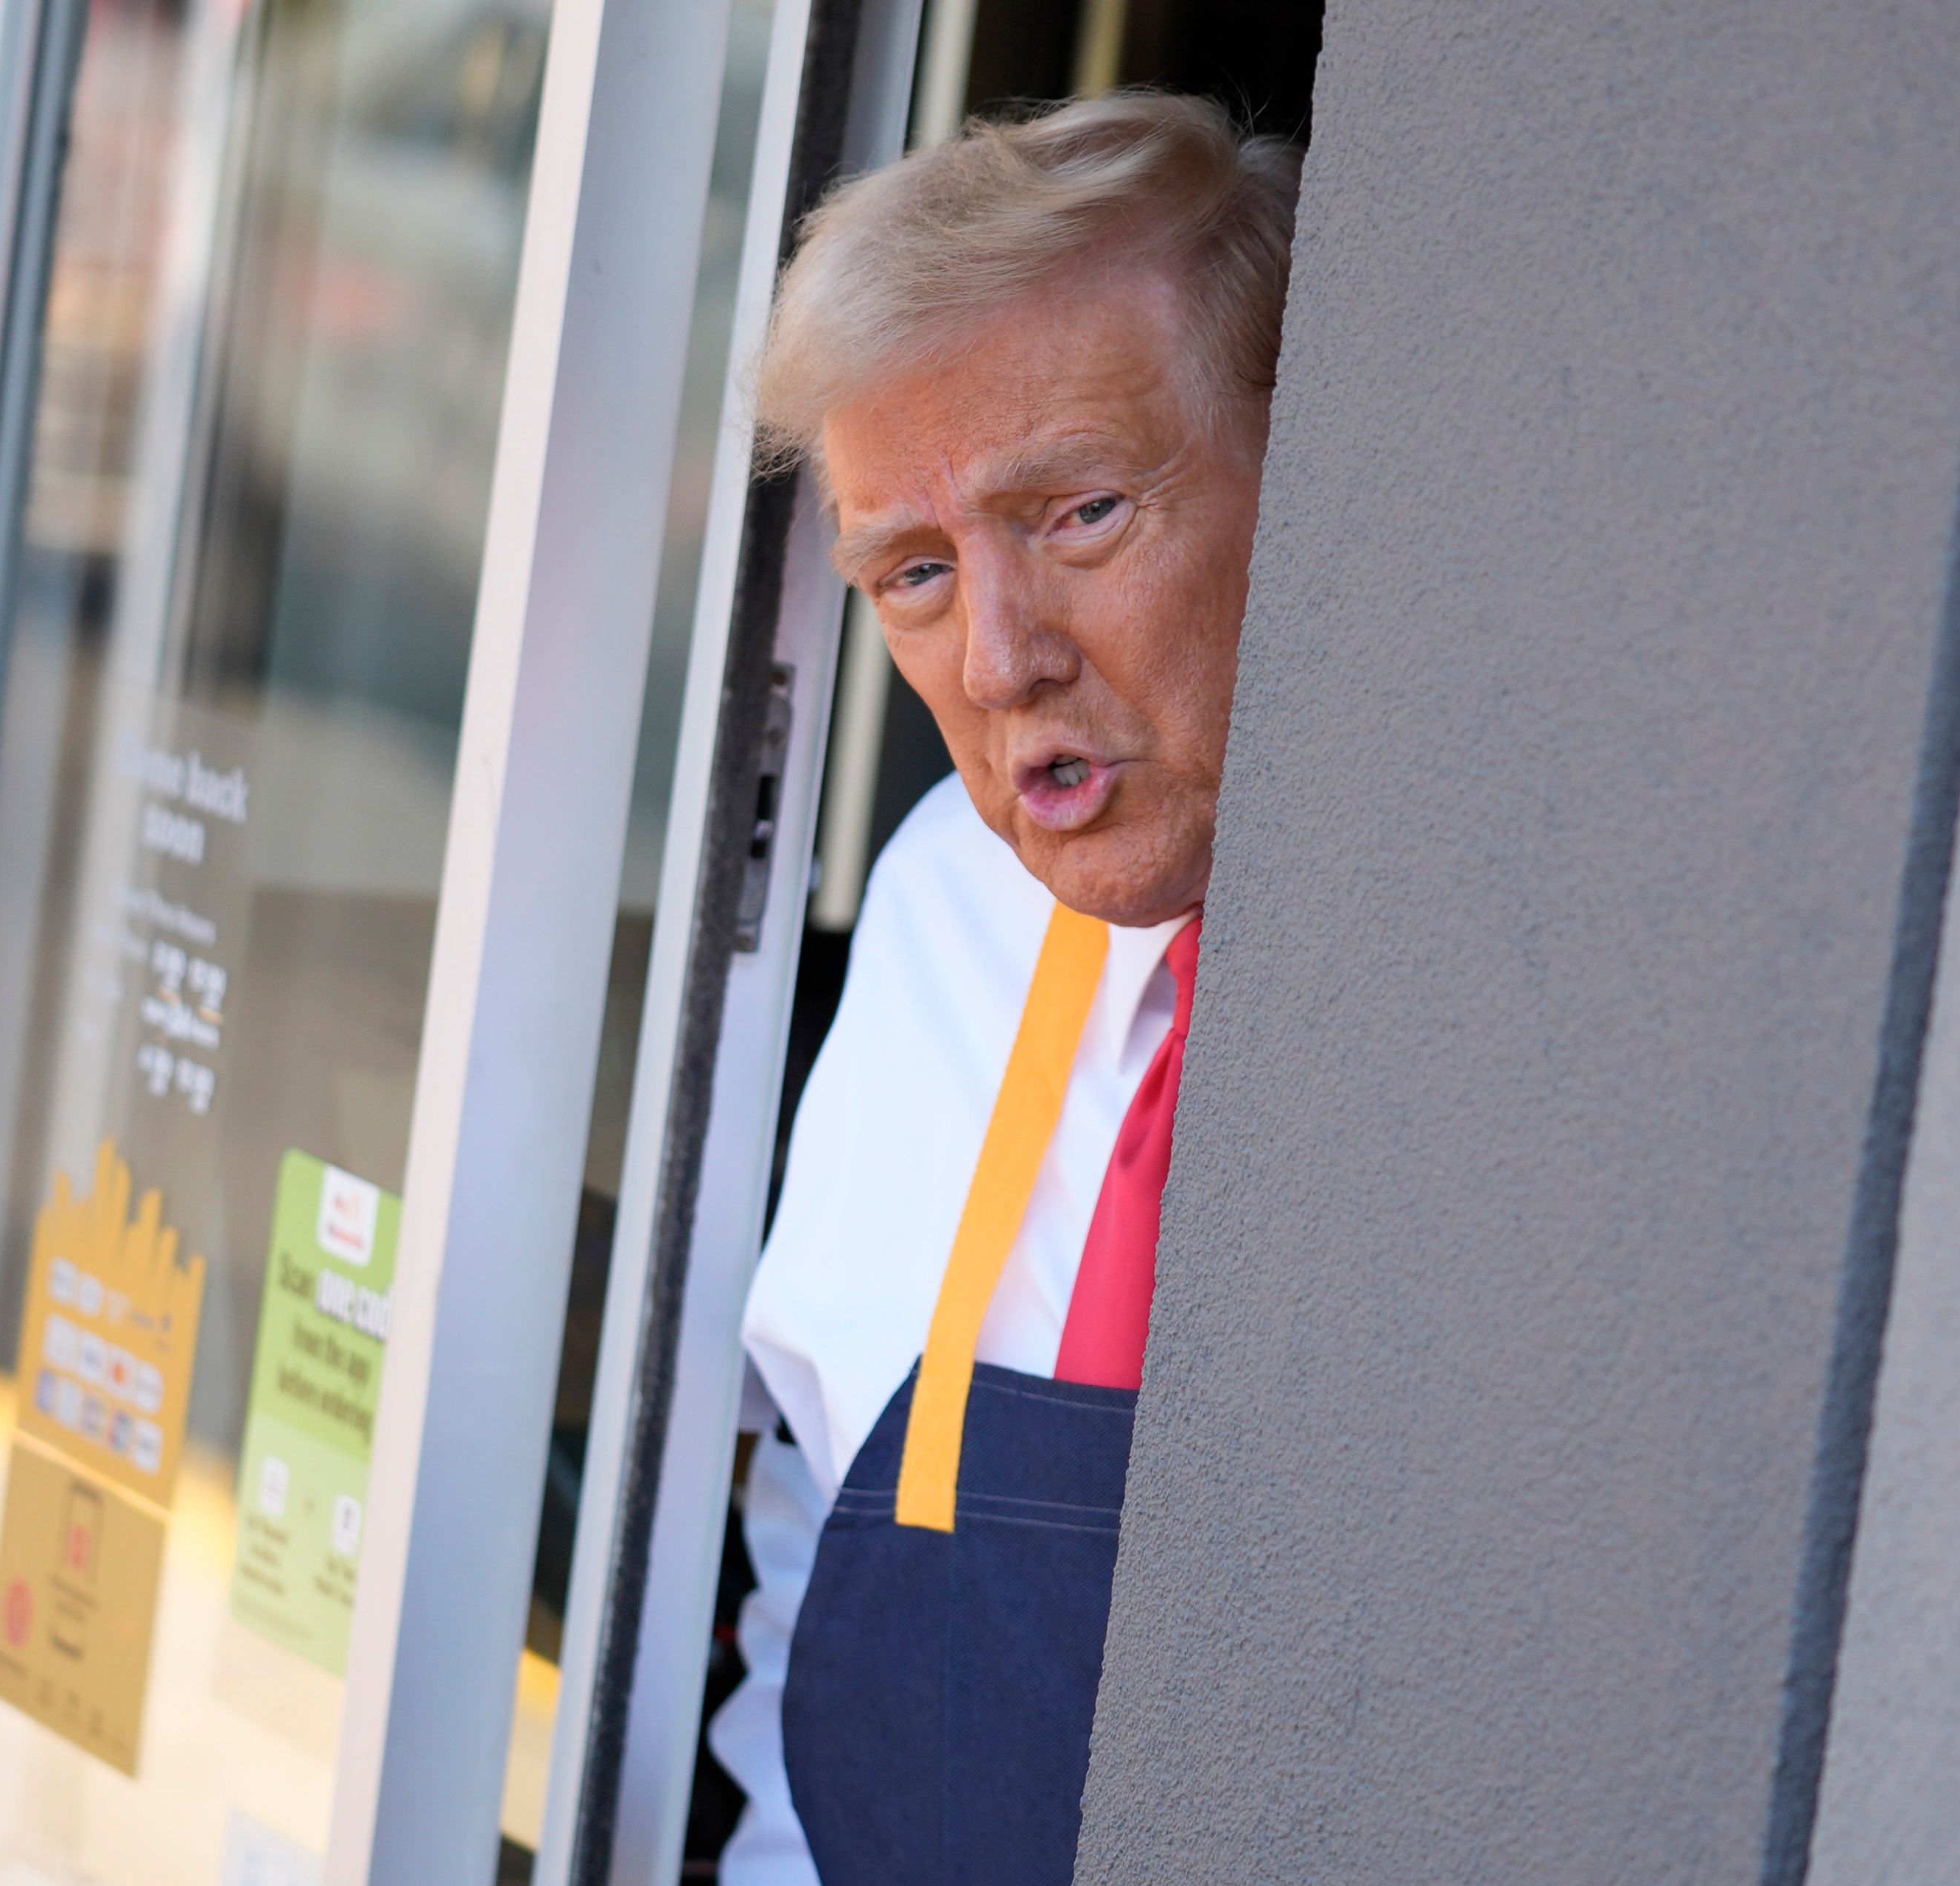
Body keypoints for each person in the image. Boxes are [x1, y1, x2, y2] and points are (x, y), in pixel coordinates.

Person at [707, 92, 1300, 1886]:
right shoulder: (944, 913)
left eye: (1088, 511)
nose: (999, 656)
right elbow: (820, 1573)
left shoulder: (1479, 961)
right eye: (914, 573)